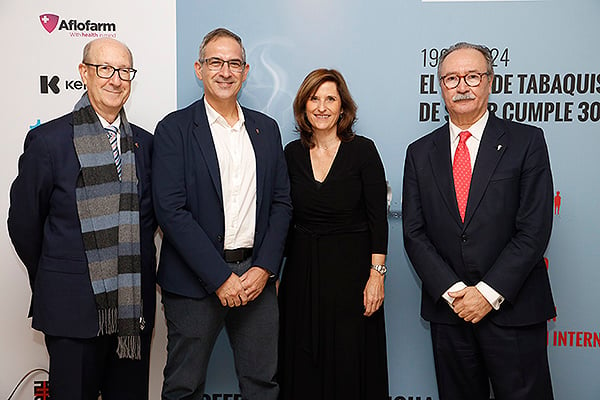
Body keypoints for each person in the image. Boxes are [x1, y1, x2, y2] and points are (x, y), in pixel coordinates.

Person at [402, 42, 555, 400]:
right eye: (451, 78)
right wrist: (457, 294)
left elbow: (533, 228)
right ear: (440, 87)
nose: (462, 86)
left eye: (472, 76)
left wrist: (486, 294)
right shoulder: (420, 152)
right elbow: (414, 232)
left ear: (490, 82)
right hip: (450, 313)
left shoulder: (526, 141)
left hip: (512, 309)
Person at [8, 38, 157, 400]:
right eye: (105, 69)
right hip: (70, 307)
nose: (115, 79)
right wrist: (59, 272)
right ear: (84, 73)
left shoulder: (145, 143)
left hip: (130, 312)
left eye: (124, 71)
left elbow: (149, 221)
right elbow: (25, 224)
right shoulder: (48, 141)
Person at [152, 28, 292, 400]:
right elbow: (171, 210)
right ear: (200, 69)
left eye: (234, 63)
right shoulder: (174, 129)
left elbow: (281, 203)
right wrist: (219, 278)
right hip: (193, 284)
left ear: (245, 72)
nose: (225, 71)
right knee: (184, 386)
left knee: (263, 385)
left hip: (256, 282)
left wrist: (264, 268)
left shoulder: (266, 129)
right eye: (216, 62)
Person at [278, 69, 389, 400]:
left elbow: (377, 220)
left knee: (349, 363)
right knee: (300, 364)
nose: (322, 107)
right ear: (304, 106)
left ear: (343, 108)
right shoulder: (291, 154)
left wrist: (377, 275)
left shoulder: (363, 151)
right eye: (314, 98)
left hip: (353, 278)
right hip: (302, 275)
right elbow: (284, 217)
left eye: (330, 99)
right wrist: (277, 274)